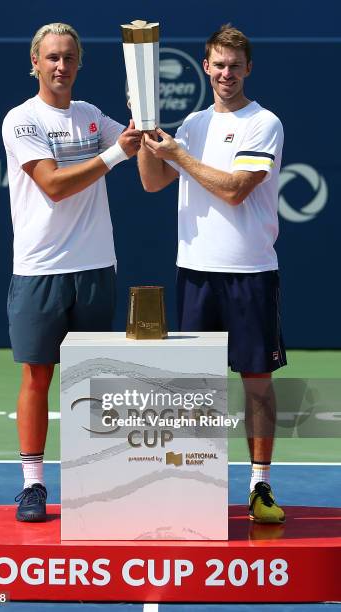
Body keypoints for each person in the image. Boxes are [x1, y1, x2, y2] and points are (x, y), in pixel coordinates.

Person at [138, 24, 286, 524]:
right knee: (195, 388)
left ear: (248, 69)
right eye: (218, 65)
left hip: (249, 272)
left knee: (257, 382)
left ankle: (259, 485)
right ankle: (193, 488)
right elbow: (154, 182)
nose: (226, 74)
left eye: (235, 66)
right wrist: (143, 133)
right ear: (206, 66)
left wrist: (177, 153)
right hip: (196, 271)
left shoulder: (263, 122)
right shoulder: (194, 123)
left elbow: (235, 189)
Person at [2, 22, 141, 522]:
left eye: (70, 58)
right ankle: (33, 485)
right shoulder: (21, 120)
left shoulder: (89, 116)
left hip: (95, 266)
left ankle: (93, 480)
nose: (61, 66)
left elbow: (136, 147)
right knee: (38, 375)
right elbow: (54, 186)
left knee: (90, 379)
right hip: (40, 269)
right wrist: (116, 151)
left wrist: (141, 122)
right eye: (52, 57)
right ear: (35, 62)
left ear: (79, 63)